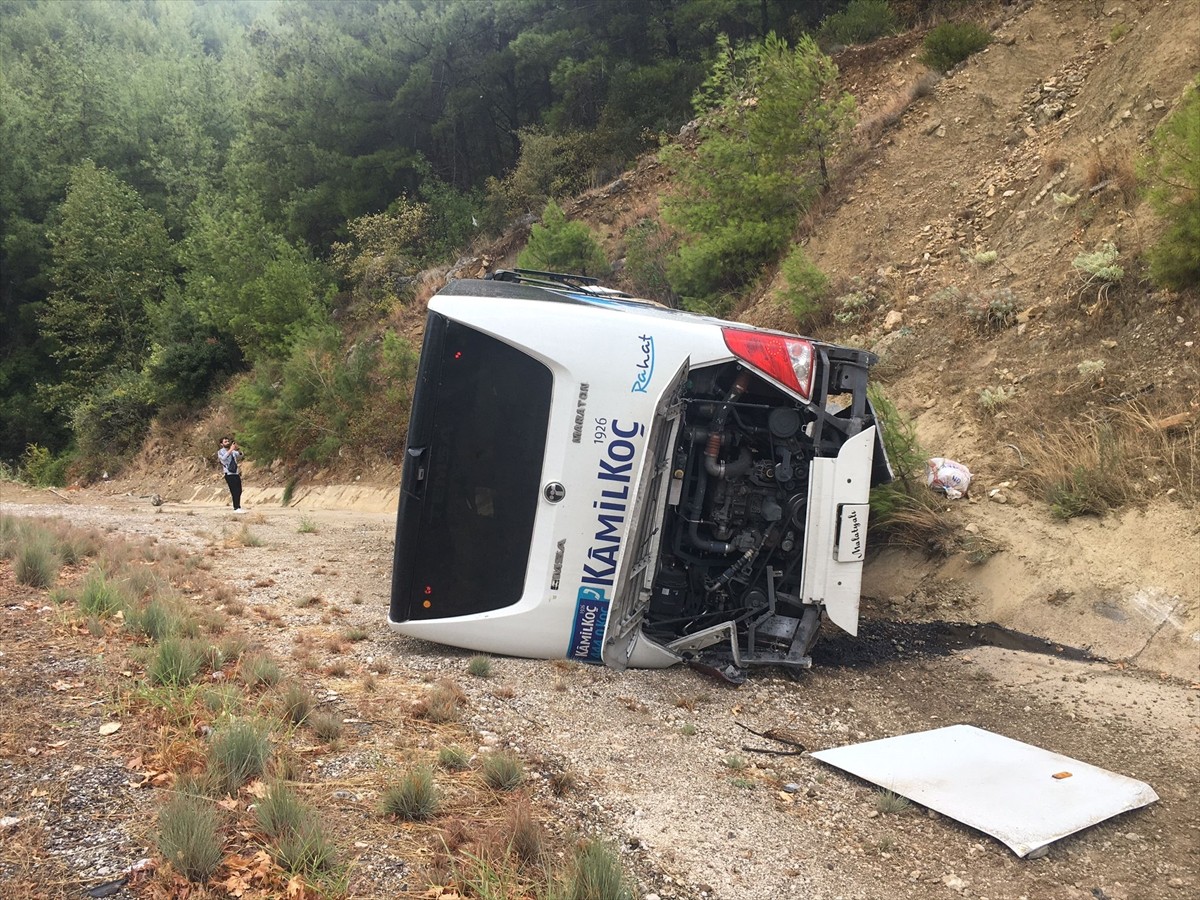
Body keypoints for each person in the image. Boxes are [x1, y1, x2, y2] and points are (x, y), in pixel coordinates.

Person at [218, 436, 245, 513]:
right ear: (221, 444)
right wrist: (231, 450)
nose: (227, 443)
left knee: (239, 490)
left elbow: (241, 455)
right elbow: (223, 458)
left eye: (228, 441)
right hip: (228, 474)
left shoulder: (233, 451)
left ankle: (238, 506)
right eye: (225, 442)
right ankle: (236, 508)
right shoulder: (220, 452)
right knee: (234, 491)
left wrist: (237, 449)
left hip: (236, 473)